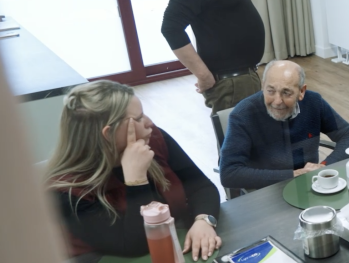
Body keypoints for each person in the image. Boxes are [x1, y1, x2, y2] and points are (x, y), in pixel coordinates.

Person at [47, 80, 221, 260]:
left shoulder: (152, 138)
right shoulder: (67, 192)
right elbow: (134, 246)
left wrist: (204, 220)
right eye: (138, 118)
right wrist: (136, 180)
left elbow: (201, 187)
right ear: (108, 133)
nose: (149, 122)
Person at [219, 60, 349, 189]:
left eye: (286, 93)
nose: (277, 101)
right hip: (267, 192)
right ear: (262, 86)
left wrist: (324, 167)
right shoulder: (243, 115)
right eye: (270, 91)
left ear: (301, 91)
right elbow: (229, 173)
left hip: (310, 186)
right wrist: (294, 174)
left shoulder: (314, 102)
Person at [162, 0, 265, 114]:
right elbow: (171, 28)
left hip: (243, 78)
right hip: (232, 84)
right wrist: (203, 75)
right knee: (241, 129)